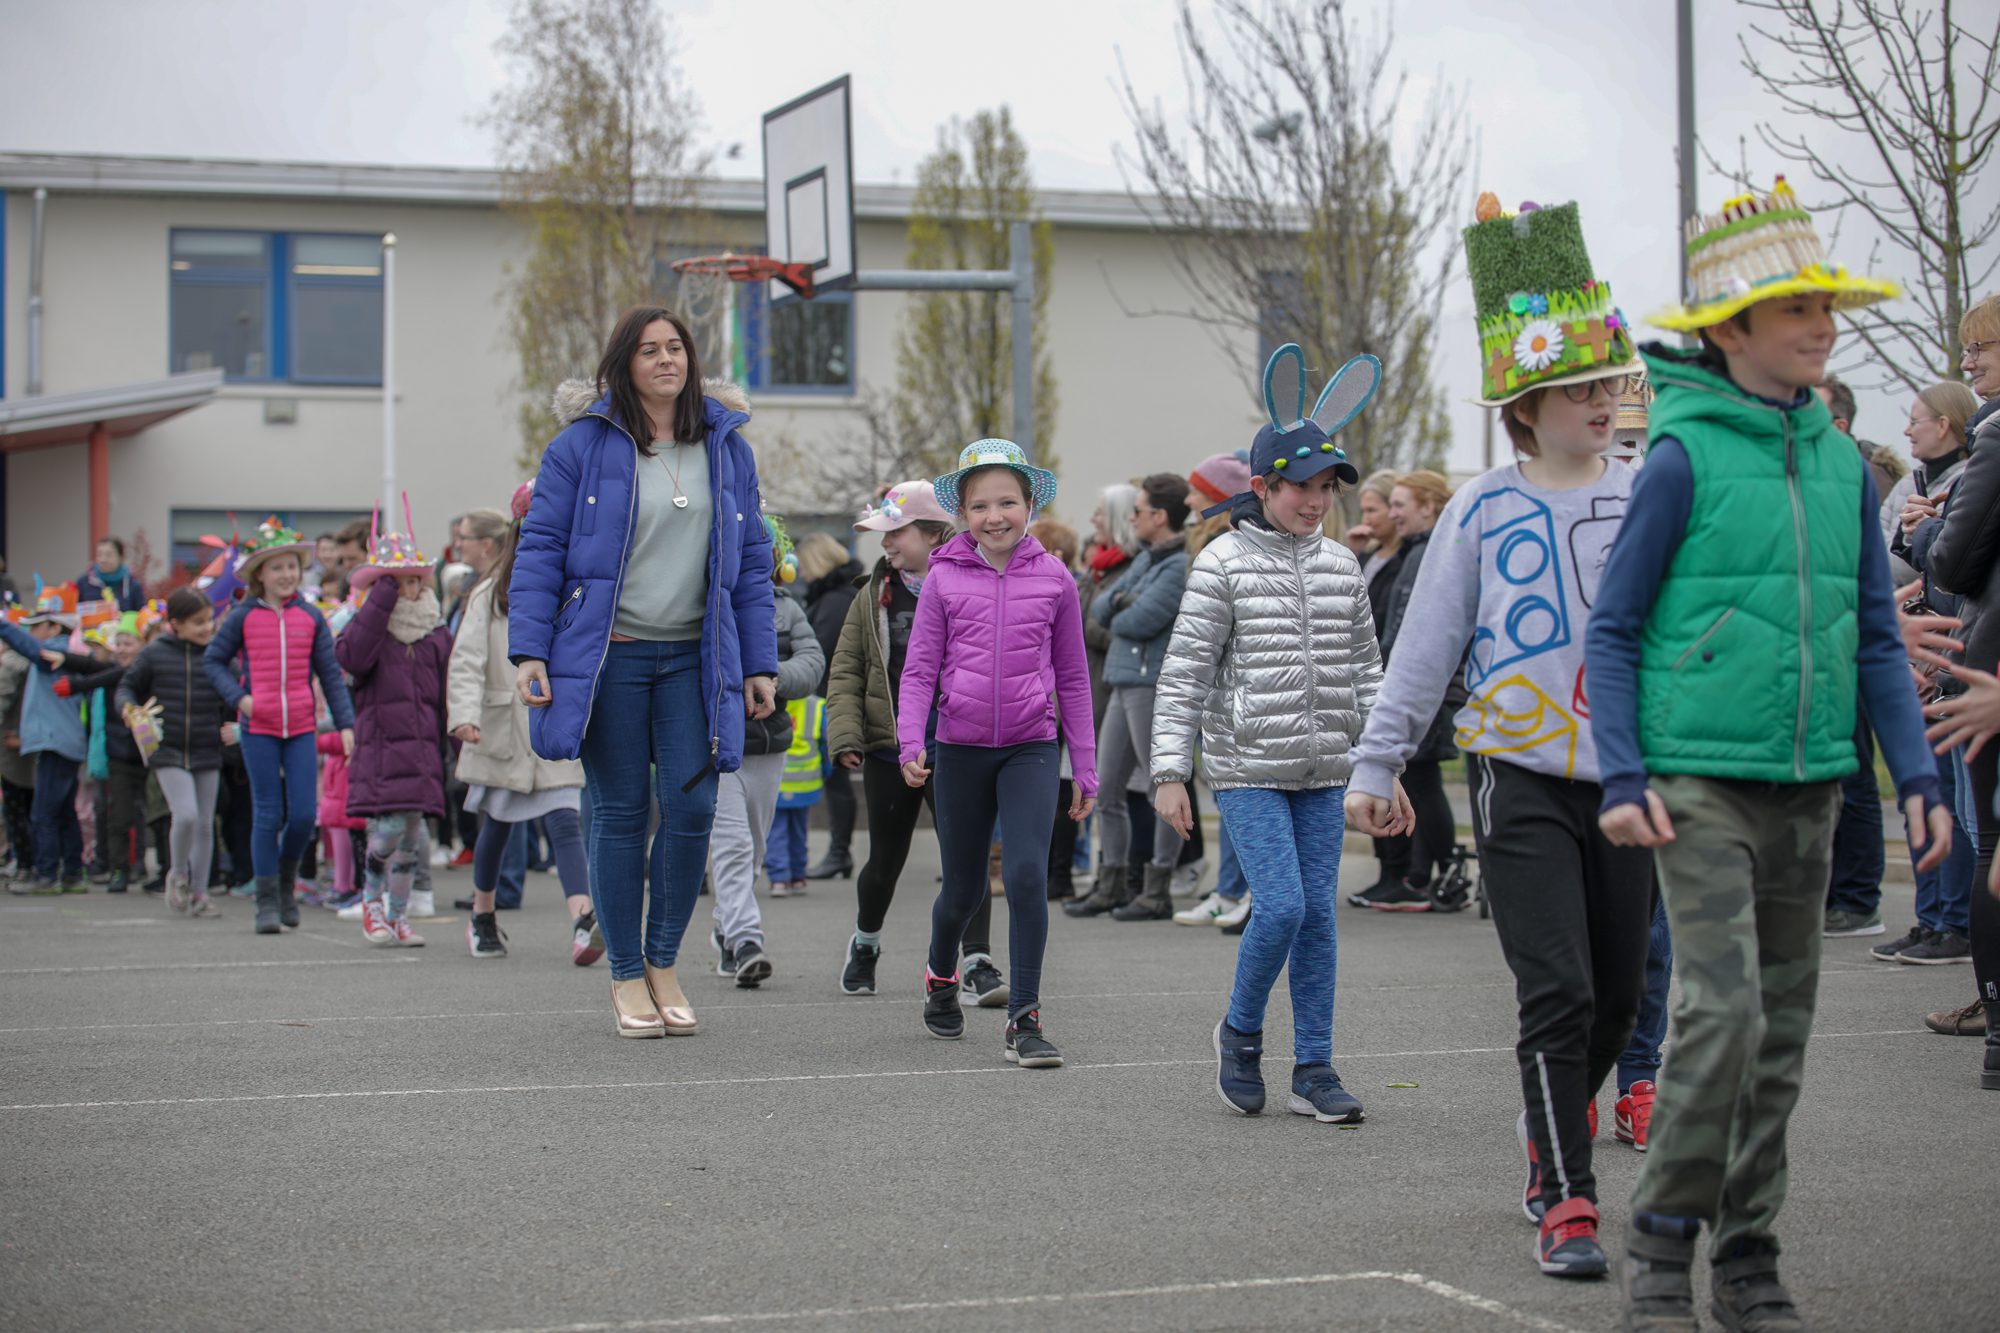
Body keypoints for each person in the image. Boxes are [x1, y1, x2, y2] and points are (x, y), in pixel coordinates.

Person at [1586, 178, 1950, 1328]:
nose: (1821, 327)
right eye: (1797, 308)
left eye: (1826, 308)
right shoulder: (1679, 456)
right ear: (1730, 328)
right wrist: (1624, 773)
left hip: (1810, 786)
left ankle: (1746, 1252)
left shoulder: (1840, 462)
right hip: (1696, 780)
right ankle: (1659, 1241)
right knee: (1723, 1013)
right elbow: (1613, 626)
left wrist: (1916, 777)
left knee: (1782, 1033)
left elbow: (1875, 637)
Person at [1350, 196, 1653, 1278]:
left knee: (1619, 997)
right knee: (1556, 990)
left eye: (1610, 384)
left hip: (1629, 780)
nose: (1602, 402)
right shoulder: (1481, 508)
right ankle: (1565, 1195)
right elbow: (1426, 647)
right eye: (1579, 389)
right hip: (1518, 772)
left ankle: (1552, 1116)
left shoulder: (1649, 494)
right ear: (1526, 406)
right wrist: (1377, 760)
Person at [508, 305, 777, 1040]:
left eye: (676, 347)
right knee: (622, 814)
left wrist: (759, 663)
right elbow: (540, 549)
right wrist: (530, 651)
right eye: (650, 349)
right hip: (610, 658)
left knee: (692, 811)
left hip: (695, 659)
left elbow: (753, 564)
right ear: (624, 362)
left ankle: (663, 962)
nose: (666, 360)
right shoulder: (580, 445)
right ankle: (625, 973)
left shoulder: (728, 448)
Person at [1152, 342, 1389, 1128]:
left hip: (1325, 768)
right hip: (1248, 766)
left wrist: (1382, 768)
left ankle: (1314, 1067)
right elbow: (1184, 672)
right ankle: (1241, 1031)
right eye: (1301, 486)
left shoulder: (1342, 566)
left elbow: (1368, 671)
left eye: (1327, 487)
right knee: (1281, 907)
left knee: (1319, 917)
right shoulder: (1220, 563)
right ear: (1262, 486)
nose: (1316, 500)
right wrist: (1170, 772)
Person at [899, 441, 1097, 1067]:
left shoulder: (1055, 578)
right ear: (962, 513)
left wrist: (1084, 766)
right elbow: (919, 670)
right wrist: (911, 741)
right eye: (980, 505)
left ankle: (1025, 1018)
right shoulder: (943, 577)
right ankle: (940, 974)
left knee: (1026, 876)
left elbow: (1074, 678)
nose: (994, 516)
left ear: (1029, 504)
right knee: (962, 889)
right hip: (959, 748)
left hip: (1031, 746)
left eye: (1007, 502)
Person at [826, 480, 1002, 1002]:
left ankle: (977, 962)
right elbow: (846, 668)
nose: (885, 542)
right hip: (890, 746)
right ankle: (865, 943)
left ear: (932, 534)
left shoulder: (973, 582)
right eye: (882, 533)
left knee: (965, 857)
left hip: (957, 743)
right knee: (885, 861)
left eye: (895, 532)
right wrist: (846, 734)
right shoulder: (872, 594)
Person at [1906, 290, 2000, 1074]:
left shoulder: (1993, 436)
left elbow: (1955, 562)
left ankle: (1997, 1022)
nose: (1970, 361)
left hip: (1988, 666)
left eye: (1982, 347)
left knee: (1989, 838)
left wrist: (1928, 528)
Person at [449, 482, 599, 964]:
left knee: (565, 818)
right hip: (501, 728)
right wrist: (464, 715)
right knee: (497, 823)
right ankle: (483, 914)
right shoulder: (490, 593)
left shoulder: (577, 583)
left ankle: (582, 920)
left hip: (553, 723)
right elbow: (466, 660)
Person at [204, 519, 356, 934]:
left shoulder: (310, 617)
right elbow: (213, 660)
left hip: (302, 728)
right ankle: (266, 902)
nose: (286, 574)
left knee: (304, 815)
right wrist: (240, 699)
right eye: (277, 568)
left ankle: (287, 884)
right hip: (259, 729)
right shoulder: (243, 616)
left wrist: (345, 723)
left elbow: (330, 674)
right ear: (260, 574)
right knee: (268, 814)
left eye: (292, 566)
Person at [1875, 379, 1982, 966]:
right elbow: (1889, 563)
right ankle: (1930, 916)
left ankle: (1954, 921)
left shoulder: (1969, 480)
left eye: (1916, 419)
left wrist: (1926, 533)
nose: (1907, 430)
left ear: (1945, 424)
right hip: (1912, 653)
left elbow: (1947, 571)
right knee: (1922, 794)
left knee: (1951, 796)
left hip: (1945, 656)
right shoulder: (1914, 485)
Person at [707, 517, 823, 985]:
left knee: (752, 849)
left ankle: (726, 929)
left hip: (768, 743)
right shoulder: (703, 600)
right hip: (714, 745)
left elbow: (812, 663)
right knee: (733, 845)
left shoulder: (786, 608)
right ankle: (747, 940)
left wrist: (771, 677)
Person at [1081, 473, 1193, 923]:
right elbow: (1101, 608)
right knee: (1106, 788)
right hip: (1122, 680)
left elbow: (1138, 621)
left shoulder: (1178, 564)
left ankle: (1158, 887)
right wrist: (1122, 601)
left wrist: (1122, 603)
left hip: (1151, 685)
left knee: (1161, 786)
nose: (1133, 518)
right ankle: (1112, 883)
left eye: (1139, 510)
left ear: (1159, 516)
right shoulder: (1148, 558)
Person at [338, 518, 452, 947]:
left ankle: (397, 915)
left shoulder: (434, 632)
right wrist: (380, 601)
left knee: (411, 838)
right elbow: (352, 657)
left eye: (412, 581)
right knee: (386, 832)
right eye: (395, 583)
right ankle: (371, 902)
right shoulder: (368, 629)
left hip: (421, 753)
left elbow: (448, 693)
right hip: (381, 752)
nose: (407, 590)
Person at [1360, 469, 1461, 912]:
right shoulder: (1417, 551)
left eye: (1400, 505)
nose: (1394, 514)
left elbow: (1409, 627)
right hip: (1413, 683)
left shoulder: (1428, 553)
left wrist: (1391, 679)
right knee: (1419, 781)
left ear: (1429, 507)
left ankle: (1427, 876)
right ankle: (1421, 875)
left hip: (1425, 688)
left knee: (1422, 781)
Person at [116, 587, 233, 917]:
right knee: (186, 815)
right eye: (198, 622)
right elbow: (127, 685)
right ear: (176, 624)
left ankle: (200, 893)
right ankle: (178, 874)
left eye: (209, 620)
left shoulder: (217, 654)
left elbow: (238, 688)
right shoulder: (155, 653)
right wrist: (128, 707)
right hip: (167, 749)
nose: (207, 628)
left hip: (207, 747)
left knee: (206, 824)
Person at [1343, 468, 1411, 905]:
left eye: (1375, 510)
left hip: (1387, 676)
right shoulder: (1369, 557)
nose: (1367, 519)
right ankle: (1387, 869)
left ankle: (1407, 873)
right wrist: (1352, 553)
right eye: (1364, 510)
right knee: (1372, 780)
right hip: (1365, 678)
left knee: (1405, 783)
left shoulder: (1408, 558)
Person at [0, 587, 96, 891]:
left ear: (55, 628)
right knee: (64, 811)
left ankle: (46, 875)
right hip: (63, 742)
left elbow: (27, 647)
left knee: (43, 812)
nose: (31, 632)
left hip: (57, 742)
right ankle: (72, 874)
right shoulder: (67, 654)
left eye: (37, 625)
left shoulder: (56, 654)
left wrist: (3, 624)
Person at [796, 532, 864, 882]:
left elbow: (822, 652)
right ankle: (840, 853)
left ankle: (839, 852)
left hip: (830, 702)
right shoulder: (841, 596)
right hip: (835, 700)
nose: (801, 573)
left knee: (837, 780)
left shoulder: (833, 601)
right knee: (837, 779)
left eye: (804, 566)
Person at [76, 537, 148, 613]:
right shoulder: (84, 583)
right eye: (99, 555)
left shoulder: (132, 585)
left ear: (121, 557)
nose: (103, 559)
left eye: (109, 555)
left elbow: (142, 613)